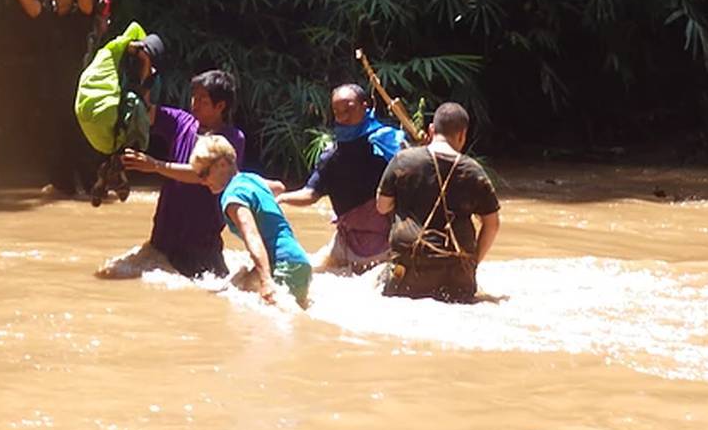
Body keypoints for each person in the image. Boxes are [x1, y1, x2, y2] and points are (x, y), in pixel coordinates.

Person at [95, 70, 245, 279]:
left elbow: (202, 175)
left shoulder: (231, 139)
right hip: (163, 236)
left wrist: (155, 166)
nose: (194, 103)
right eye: (194, 96)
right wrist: (146, 70)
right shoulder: (181, 122)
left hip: (199, 244)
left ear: (220, 106)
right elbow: (144, 111)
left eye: (202, 100)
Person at [375, 102, 501, 303]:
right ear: (462, 135)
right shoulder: (473, 171)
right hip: (458, 275)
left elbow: (382, 206)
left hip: (408, 271)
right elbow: (492, 225)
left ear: (431, 130)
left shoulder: (403, 161)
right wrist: (473, 262)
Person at [275, 84, 404, 274]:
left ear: (364, 106)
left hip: (389, 242)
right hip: (346, 243)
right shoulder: (332, 157)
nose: (343, 117)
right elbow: (311, 193)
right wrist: (282, 198)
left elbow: (415, 177)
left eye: (349, 109)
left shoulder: (388, 144)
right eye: (337, 112)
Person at [15, 0, 112, 197]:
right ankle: (62, 186)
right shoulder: (46, 14)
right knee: (56, 142)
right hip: (53, 90)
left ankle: (94, 186)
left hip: (80, 90)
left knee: (83, 142)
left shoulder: (82, 16)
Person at [191, 134, 312, 308]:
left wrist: (266, 280)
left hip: (283, 266)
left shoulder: (233, 196)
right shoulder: (251, 179)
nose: (202, 181)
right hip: (300, 263)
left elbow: (252, 237)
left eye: (204, 173)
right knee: (238, 288)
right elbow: (279, 187)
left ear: (222, 164)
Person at [74, 22, 164, 206]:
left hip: (87, 115)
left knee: (122, 121)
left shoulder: (114, 54)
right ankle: (118, 166)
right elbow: (144, 100)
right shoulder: (139, 56)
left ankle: (109, 169)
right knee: (140, 114)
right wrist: (147, 65)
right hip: (105, 113)